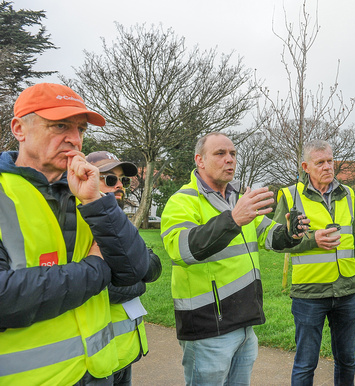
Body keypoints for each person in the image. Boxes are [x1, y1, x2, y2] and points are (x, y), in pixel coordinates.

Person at [0, 83, 149, 385]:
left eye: (80, 129)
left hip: (99, 370)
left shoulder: (88, 193)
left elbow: (137, 270)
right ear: (19, 128)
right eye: (59, 125)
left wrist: (96, 201)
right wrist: (96, 269)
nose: (75, 139)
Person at [160, 132, 309, 386]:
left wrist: (291, 233)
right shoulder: (182, 201)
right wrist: (233, 219)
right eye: (220, 154)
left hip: (244, 324)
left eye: (233, 154)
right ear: (200, 160)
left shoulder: (238, 200)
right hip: (207, 327)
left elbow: (270, 236)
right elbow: (182, 250)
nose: (229, 159)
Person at [274, 139, 355, 386]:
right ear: (306, 166)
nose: (327, 167)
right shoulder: (290, 196)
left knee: (347, 359)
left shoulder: (348, 194)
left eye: (330, 161)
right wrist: (313, 241)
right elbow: (275, 242)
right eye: (320, 162)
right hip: (309, 293)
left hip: (346, 291)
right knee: (305, 363)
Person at [87, 151, 163, 386]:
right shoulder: (80, 224)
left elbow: (152, 265)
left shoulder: (119, 221)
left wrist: (132, 273)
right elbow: (98, 286)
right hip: (95, 360)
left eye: (123, 180)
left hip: (125, 352)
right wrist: (138, 280)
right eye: (110, 179)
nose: (120, 185)